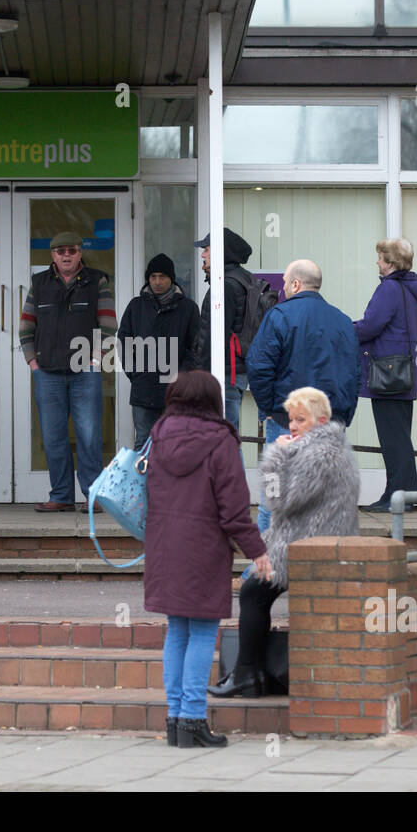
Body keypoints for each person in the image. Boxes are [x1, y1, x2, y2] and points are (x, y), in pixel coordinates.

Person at [143, 371, 269, 748]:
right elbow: (233, 510)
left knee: (177, 630)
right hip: (202, 549)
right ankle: (193, 718)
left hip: (164, 547)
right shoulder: (220, 440)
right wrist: (257, 550)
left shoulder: (157, 436)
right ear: (211, 400)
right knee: (201, 631)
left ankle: (175, 719)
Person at [209, 387, 359, 699]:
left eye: (299, 420)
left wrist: (276, 456)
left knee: (252, 593)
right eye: (291, 419)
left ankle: (247, 675)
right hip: (310, 544)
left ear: (319, 421)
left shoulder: (321, 455)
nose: (291, 426)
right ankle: (248, 673)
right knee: (255, 594)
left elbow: (280, 501)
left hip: (310, 548)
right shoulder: (328, 450)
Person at [245, 258, 361, 530]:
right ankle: (317, 564)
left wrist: (271, 409)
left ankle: (270, 567)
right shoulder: (343, 321)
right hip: (329, 424)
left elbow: (259, 364)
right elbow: (355, 373)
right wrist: (342, 415)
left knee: (274, 501)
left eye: (286, 283)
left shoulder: (280, 315)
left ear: (296, 284)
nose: (284, 289)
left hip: (288, 422)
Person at [19, 231, 116, 513]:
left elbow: (108, 325)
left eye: (71, 250)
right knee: (52, 436)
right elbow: (26, 327)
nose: (66, 255)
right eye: (60, 251)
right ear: (52, 255)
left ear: (80, 253)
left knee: (89, 436)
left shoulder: (96, 281)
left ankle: (93, 495)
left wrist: (95, 362)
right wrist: (33, 364)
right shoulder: (40, 283)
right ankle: (60, 495)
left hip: (84, 371)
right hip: (47, 372)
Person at [353, 238, 417, 512]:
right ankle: (399, 495)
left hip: (386, 374)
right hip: (403, 373)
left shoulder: (389, 289)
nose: (377, 262)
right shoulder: (410, 291)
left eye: (381, 257)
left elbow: (371, 326)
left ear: (391, 263)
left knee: (393, 439)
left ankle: (397, 497)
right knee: (400, 437)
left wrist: (344, 331)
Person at [117, 252, 200, 448]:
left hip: (176, 391)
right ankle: (144, 481)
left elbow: (195, 347)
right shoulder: (136, 306)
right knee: (143, 444)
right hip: (143, 388)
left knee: (175, 445)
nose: (157, 282)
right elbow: (124, 341)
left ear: (171, 279)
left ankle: (170, 481)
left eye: (162, 277)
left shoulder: (187, 308)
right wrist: (135, 372)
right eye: (153, 277)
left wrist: (182, 376)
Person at [192, 228, 253, 426]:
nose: (203, 254)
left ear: (220, 252)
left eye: (207, 249)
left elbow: (213, 336)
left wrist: (200, 376)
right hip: (234, 373)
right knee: (227, 434)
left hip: (224, 374)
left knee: (224, 437)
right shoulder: (242, 279)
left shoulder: (224, 286)